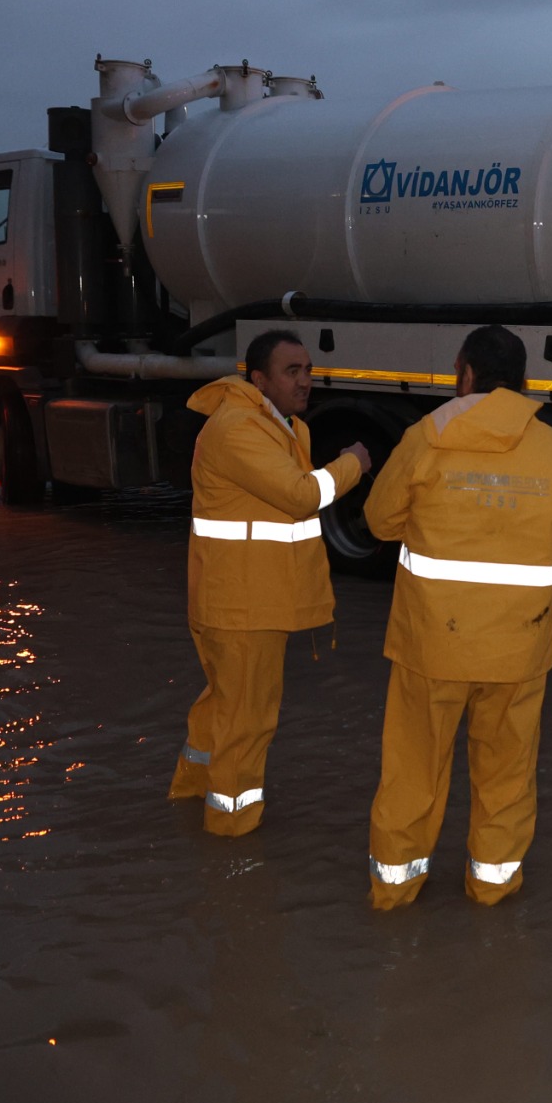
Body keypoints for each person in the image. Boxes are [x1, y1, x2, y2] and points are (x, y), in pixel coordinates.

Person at [362, 326, 552, 909]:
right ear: (523, 381)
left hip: (431, 645)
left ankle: (395, 892)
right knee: (506, 774)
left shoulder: (426, 436)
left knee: (413, 769)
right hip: (519, 650)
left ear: (463, 373)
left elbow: (380, 521)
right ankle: (492, 890)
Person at [169, 329, 372, 834]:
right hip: (243, 606)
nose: (306, 380)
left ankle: (193, 793)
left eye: (307, 369)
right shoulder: (239, 427)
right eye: (292, 371)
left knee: (223, 706)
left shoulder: (278, 427)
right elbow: (301, 496)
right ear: (259, 380)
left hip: (241, 600)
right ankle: (231, 835)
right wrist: (354, 464)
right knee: (248, 720)